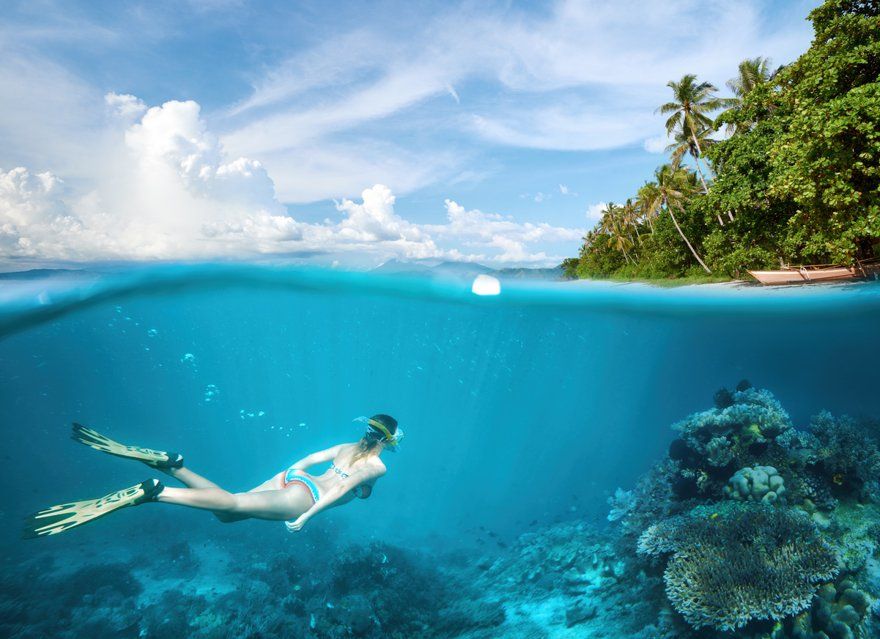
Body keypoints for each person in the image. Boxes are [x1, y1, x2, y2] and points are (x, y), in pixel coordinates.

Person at [23, 414, 402, 538]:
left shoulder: (344, 446)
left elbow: (305, 460)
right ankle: (156, 491)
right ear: (389, 442)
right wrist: (302, 516)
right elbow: (340, 493)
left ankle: (173, 465)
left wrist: (282, 475)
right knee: (233, 505)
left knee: (227, 511)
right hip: (305, 498)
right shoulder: (377, 467)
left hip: (289, 478)